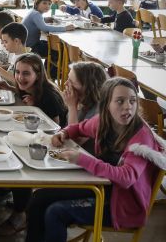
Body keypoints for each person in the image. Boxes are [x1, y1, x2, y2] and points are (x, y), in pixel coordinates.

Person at [26, 77, 164, 242]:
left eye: (132, 101)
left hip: (120, 205)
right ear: (106, 105)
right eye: (120, 101)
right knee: (38, 199)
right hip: (99, 186)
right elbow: (78, 128)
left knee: (55, 212)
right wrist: (63, 133)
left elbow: (127, 178)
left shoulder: (141, 138)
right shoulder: (104, 121)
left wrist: (82, 159)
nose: (128, 106)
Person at [0, 53, 68, 236]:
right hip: (34, 138)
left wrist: (37, 108)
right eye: (17, 72)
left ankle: (20, 215)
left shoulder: (49, 96)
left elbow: (55, 128)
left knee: (21, 169)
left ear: (38, 75)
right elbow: (22, 92)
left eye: (26, 73)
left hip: (54, 147)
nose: (20, 77)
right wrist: (10, 88)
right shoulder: (31, 88)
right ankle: (11, 197)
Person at [63, 61, 108, 126]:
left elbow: (73, 134)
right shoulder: (81, 101)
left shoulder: (97, 113)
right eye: (68, 78)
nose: (66, 83)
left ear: (88, 87)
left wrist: (72, 107)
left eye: (72, 82)